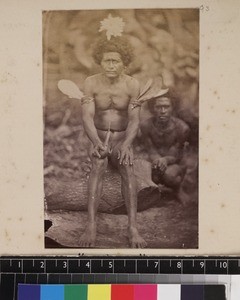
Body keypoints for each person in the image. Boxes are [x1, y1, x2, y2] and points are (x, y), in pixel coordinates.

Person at [79, 36, 146, 248]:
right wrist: (96, 142)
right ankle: (91, 225)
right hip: (99, 137)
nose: (110, 65)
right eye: (106, 60)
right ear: (100, 61)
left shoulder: (132, 84)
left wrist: (126, 145)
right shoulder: (91, 82)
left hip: (121, 138)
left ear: (124, 63)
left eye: (115, 61)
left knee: (127, 166)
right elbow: (87, 117)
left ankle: (132, 227)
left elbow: (135, 119)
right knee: (98, 164)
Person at [140, 90, 190, 198]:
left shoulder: (182, 128)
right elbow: (150, 149)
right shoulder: (145, 126)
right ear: (153, 108)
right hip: (156, 160)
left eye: (166, 107)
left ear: (172, 108)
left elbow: (176, 155)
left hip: (176, 163)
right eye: (158, 107)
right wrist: (157, 160)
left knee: (169, 175)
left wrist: (164, 160)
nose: (163, 111)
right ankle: (153, 191)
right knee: (147, 174)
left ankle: (178, 190)